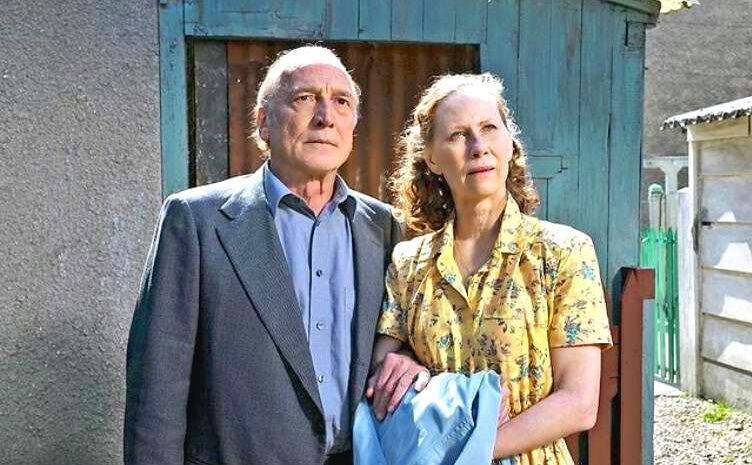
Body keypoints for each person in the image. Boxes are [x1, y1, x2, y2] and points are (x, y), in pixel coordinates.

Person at [124, 45, 424, 465]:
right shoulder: (195, 220)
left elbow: (405, 340)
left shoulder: (385, 226)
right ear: (263, 122)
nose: (325, 117)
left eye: (342, 102)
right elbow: (156, 385)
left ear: (353, 124)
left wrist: (407, 361)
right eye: (305, 98)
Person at [370, 73, 613, 465]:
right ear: (432, 158)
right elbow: (383, 375)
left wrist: (464, 452)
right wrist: (405, 366)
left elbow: (579, 403)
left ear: (510, 143)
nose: (478, 147)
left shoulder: (562, 253)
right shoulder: (408, 263)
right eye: (457, 135)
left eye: (489, 128)